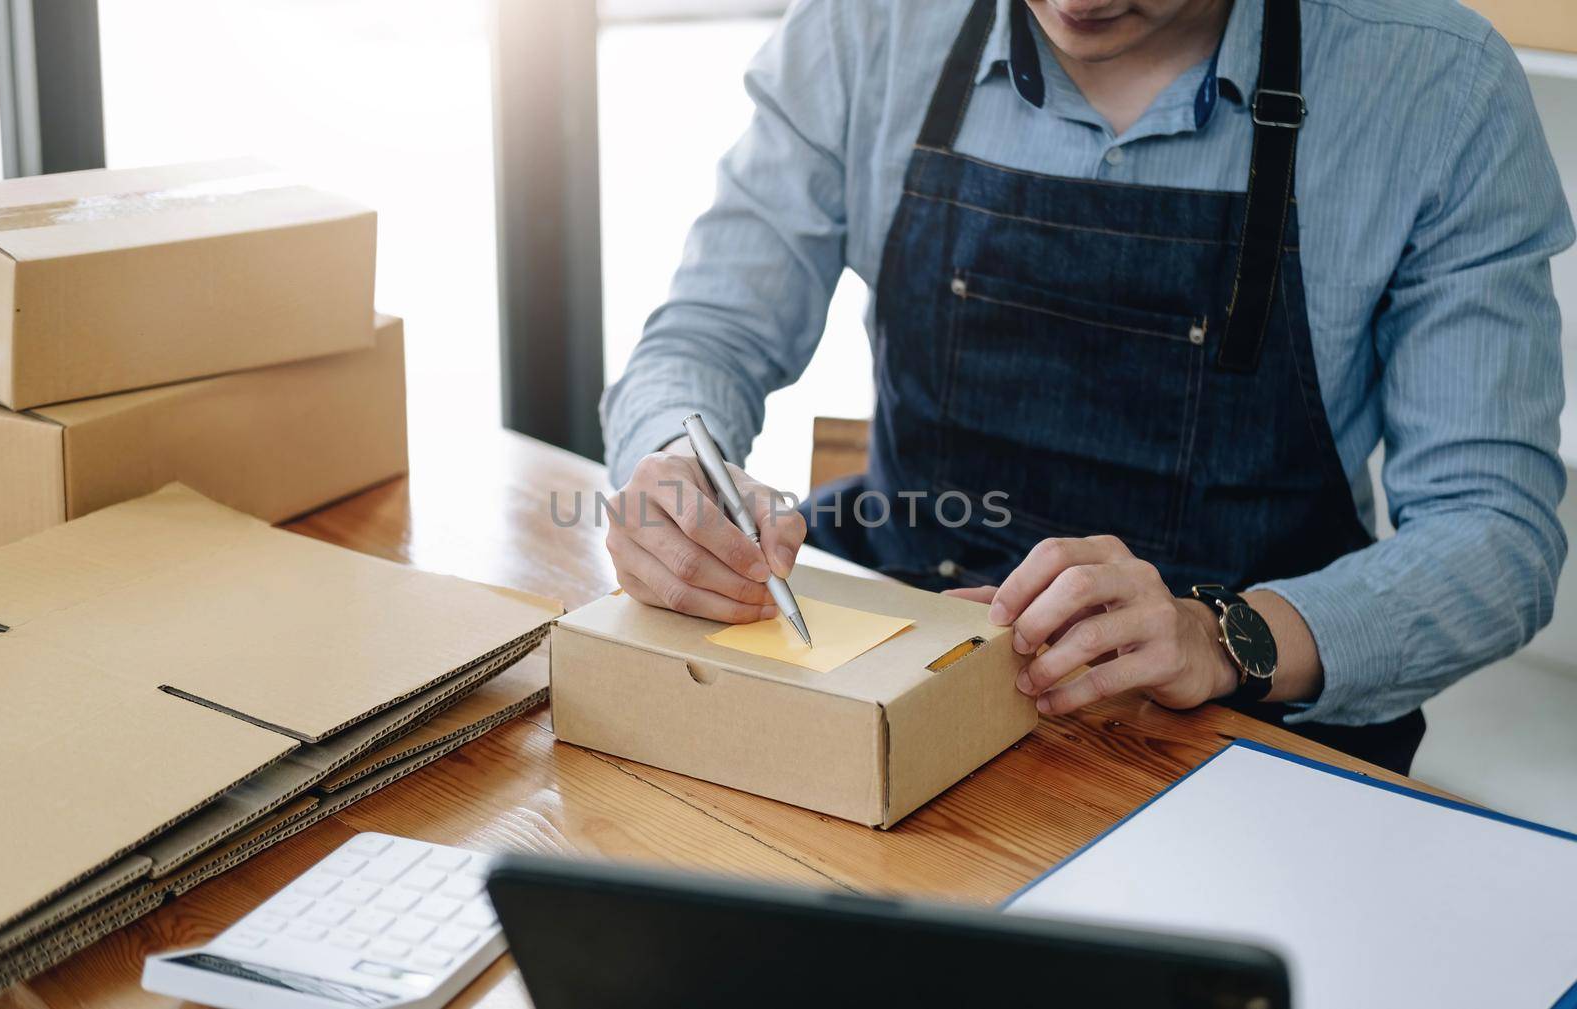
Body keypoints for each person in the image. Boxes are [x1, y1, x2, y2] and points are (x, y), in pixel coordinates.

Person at [598, 0, 1574, 775]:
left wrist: (1222, 635)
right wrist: (673, 467)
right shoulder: (865, 26)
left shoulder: (1436, 85)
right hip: (897, 671)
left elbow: (1495, 531)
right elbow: (708, 334)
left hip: (1236, 732)